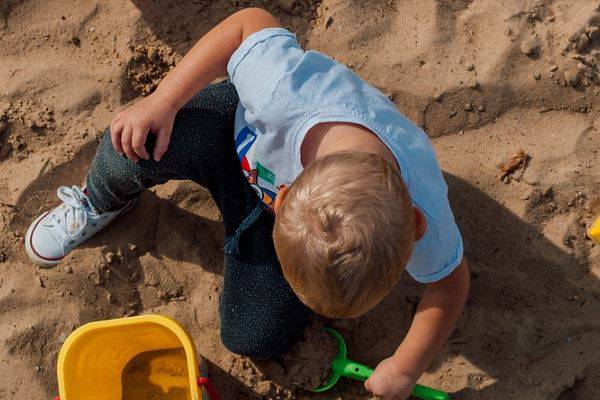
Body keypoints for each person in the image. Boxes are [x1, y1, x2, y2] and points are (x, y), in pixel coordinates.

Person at [24, 8, 469, 399]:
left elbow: (449, 284)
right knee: (135, 142)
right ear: (286, 196)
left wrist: (406, 366)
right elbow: (244, 25)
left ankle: (277, 268)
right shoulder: (282, 92)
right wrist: (163, 100)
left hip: (276, 208)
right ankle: (100, 200)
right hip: (240, 134)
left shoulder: (421, 205)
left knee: (251, 334)